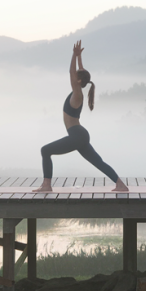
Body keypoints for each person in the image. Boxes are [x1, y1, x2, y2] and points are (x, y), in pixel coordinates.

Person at [34, 40, 128, 192]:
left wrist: (73, 54)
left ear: (78, 80)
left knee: (45, 151)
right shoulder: (79, 91)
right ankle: (120, 185)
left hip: (77, 136)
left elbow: (72, 72)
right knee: (98, 162)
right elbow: (81, 72)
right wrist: (78, 56)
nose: (73, 77)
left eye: (75, 76)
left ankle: (46, 185)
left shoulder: (77, 94)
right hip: (80, 135)